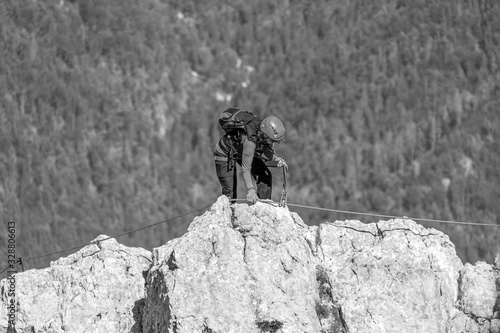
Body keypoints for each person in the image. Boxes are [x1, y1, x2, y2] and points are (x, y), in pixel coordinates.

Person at [214, 107, 288, 204]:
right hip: (224, 153)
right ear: (265, 135)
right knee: (230, 194)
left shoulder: (262, 131)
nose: (274, 143)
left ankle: (263, 206)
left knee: (265, 176)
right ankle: (228, 215)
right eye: (273, 140)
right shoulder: (250, 141)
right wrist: (251, 190)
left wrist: (276, 159)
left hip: (241, 151)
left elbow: (264, 149)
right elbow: (246, 169)